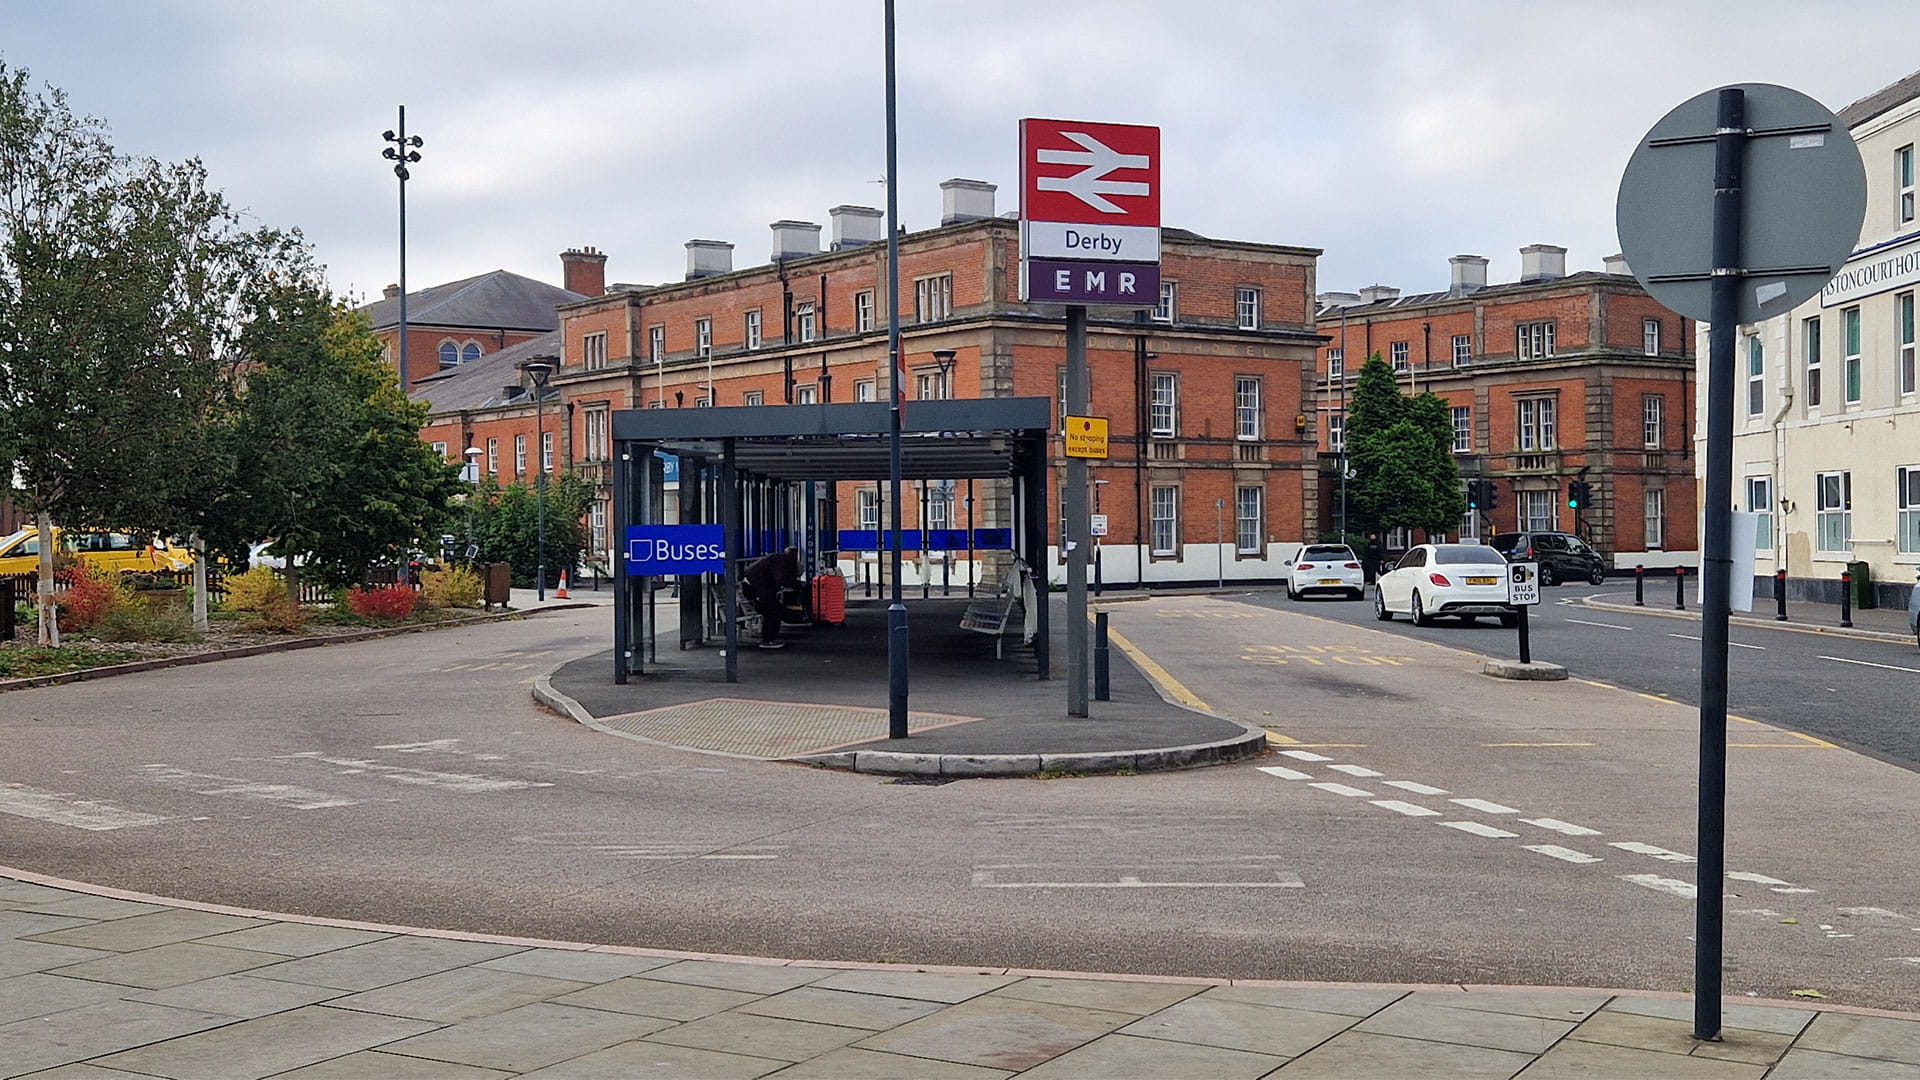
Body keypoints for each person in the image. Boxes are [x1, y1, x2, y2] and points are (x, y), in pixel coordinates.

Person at [744, 547, 801, 649]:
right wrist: (797, 585)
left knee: (773, 609)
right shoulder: (783, 562)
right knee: (773, 610)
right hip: (754, 589)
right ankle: (767, 640)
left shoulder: (778, 559)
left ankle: (769, 639)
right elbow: (782, 579)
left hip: (753, 587)